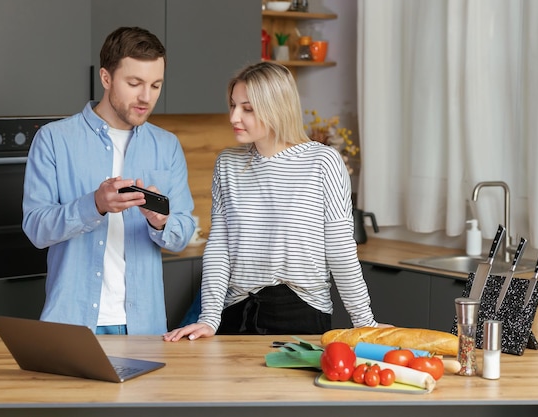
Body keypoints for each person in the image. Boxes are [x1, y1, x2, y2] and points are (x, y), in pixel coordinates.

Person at [164, 62, 388, 342]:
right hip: (237, 312)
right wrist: (209, 318)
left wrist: (364, 322)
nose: (234, 116)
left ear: (276, 107)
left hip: (302, 312)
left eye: (247, 108)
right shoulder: (228, 164)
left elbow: (340, 251)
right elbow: (220, 247)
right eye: (233, 105)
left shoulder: (322, 162)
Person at [22, 26, 195, 335]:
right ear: (106, 78)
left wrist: (160, 221)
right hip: (72, 324)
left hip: (144, 327)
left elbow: (183, 234)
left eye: (156, 85)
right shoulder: (54, 139)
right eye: (134, 83)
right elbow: (36, 228)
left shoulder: (166, 146)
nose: (146, 97)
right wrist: (94, 205)